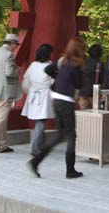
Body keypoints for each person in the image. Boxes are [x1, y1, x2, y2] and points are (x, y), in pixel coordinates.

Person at [29, 38, 85, 179]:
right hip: (66, 101)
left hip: (56, 99)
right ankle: (70, 170)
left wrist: (58, 76)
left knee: (59, 134)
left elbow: (48, 69)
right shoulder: (76, 63)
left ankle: (36, 161)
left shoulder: (62, 61)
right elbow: (79, 83)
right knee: (71, 136)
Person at [21, 43, 55, 158]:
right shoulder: (50, 66)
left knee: (39, 122)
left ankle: (40, 145)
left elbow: (27, 80)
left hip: (33, 95)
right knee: (40, 122)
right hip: (44, 95)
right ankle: (34, 147)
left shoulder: (33, 65)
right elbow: (53, 82)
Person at [79, 43, 103, 110]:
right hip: (94, 93)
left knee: (83, 115)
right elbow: (102, 79)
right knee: (95, 116)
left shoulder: (83, 62)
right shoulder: (99, 64)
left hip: (83, 92)